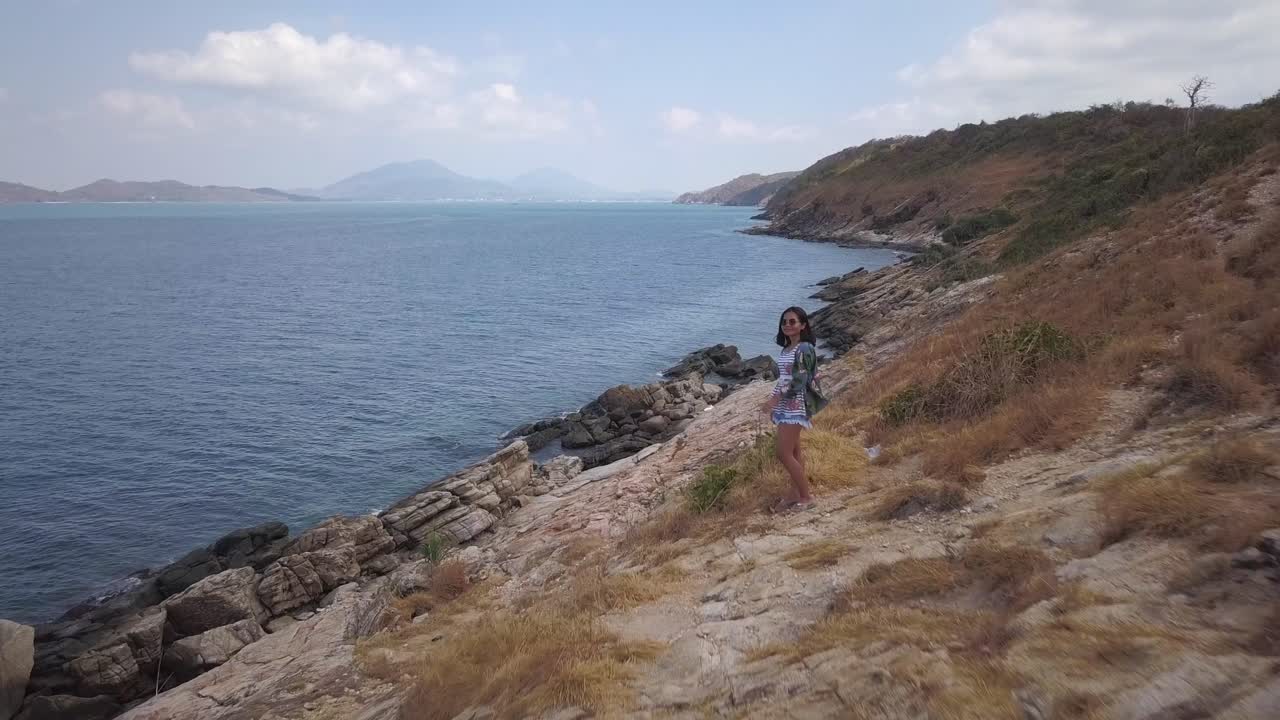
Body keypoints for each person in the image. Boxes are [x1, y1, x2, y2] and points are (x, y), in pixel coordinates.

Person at [762, 306, 826, 513]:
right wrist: (773, 399)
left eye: (792, 322)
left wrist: (776, 399)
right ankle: (794, 493)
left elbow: (800, 380)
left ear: (803, 325)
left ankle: (807, 497)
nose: (788, 325)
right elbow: (784, 379)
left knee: (783, 453)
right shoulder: (787, 350)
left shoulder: (805, 348)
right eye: (784, 322)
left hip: (796, 404)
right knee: (795, 452)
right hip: (785, 405)